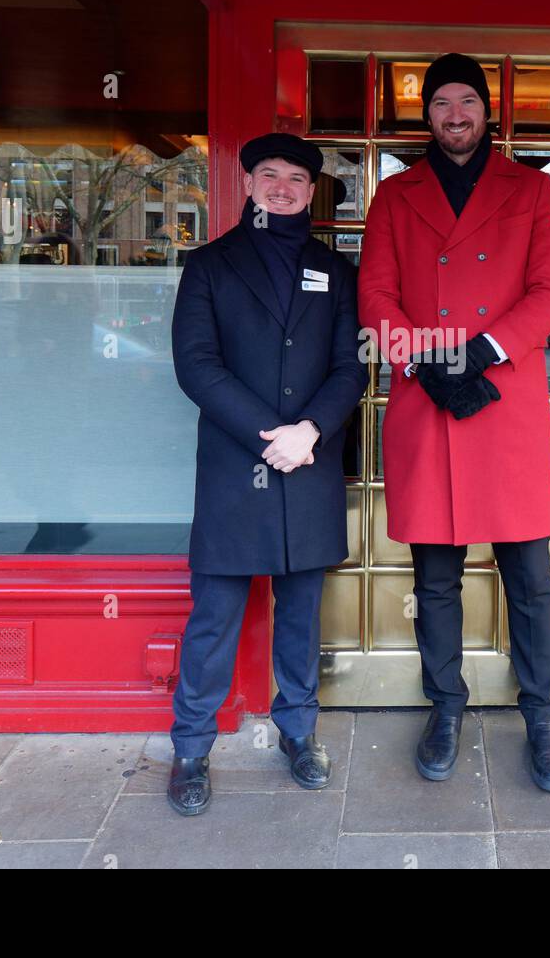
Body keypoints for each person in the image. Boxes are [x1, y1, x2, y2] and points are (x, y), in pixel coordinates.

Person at [357, 53, 550, 792]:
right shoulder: (394, 195)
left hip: (502, 402)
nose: (455, 114)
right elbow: (376, 299)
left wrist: (477, 353)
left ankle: (543, 714)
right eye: (442, 102)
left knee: (530, 578)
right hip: (428, 403)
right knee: (437, 577)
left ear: (488, 112)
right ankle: (445, 705)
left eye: (467, 101)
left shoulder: (534, 187)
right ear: (428, 116)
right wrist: (426, 365)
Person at [168, 133, 368, 816]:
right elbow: (197, 365)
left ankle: (299, 733)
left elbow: (351, 368)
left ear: (312, 192)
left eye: (296, 178)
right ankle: (192, 747)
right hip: (235, 470)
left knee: (301, 620)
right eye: (270, 175)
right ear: (249, 183)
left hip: (308, 466)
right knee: (214, 618)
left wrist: (309, 430)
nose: (283, 187)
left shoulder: (335, 272)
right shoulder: (209, 264)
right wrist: (270, 436)